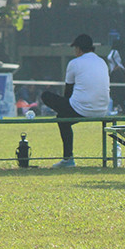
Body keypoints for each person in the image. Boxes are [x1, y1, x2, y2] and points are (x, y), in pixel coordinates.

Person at [39, 34, 110, 168]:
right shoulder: (102, 62)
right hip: (102, 110)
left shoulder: (74, 63)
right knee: (62, 117)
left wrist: (64, 108)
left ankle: (68, 158)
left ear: (78, 49)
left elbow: (68, 91)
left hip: (81, 109)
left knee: (48, 99)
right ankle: (68, 159)